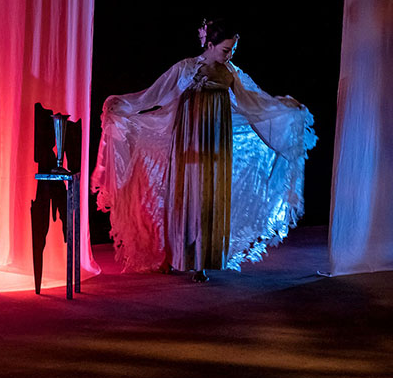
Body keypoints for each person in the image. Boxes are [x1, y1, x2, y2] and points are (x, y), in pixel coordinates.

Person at [91, 19, 317, 282]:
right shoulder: (186, 69)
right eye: (225, 50)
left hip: (217, 140)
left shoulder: (230, 72)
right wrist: (125, 106)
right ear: (210, 45)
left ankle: (203, 261)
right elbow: (154, 94)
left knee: (211, 196)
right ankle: (178, 257)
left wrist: (283, 108)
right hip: (189, 139)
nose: (229, 55)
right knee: (187, 195)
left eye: (232, 50)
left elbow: (252, 102)